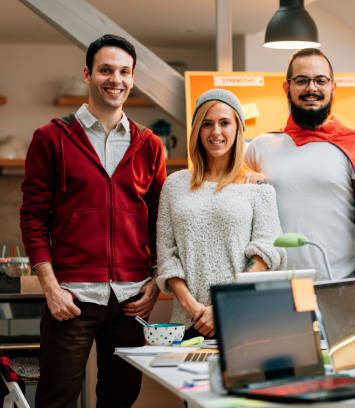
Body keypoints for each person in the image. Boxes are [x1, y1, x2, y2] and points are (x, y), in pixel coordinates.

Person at [20, 34, 166, 407]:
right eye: (105, 70)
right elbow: (33, 217)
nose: (115, 79)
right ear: (88, 74)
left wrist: (156, 282)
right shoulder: (51, 138)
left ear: (132, 79)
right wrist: (51, 288)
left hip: (132, 297)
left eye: (123, 71)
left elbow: (160, 221)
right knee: (56, 399)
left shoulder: (149, 144)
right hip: (72, 298)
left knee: (121, 397)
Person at [245, 48, 355, 338]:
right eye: (302, 80)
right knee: (286, 377)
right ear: (287, 87)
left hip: (340, 290)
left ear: (333, 87)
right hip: (277, 289)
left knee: (348, 378)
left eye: (320, 80)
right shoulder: (258, 148)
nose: (312, 88)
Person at [156, 89, 287, 339]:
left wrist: (223, 306)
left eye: (224, 123)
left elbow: (268, 254)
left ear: (237, 128)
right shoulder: (174, 184)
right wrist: (191, 306)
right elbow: (166, 254)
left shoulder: (257, 187)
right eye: (207, 124)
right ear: (197, 130)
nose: (216, 132)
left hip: (242, 319)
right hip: (188, 321)